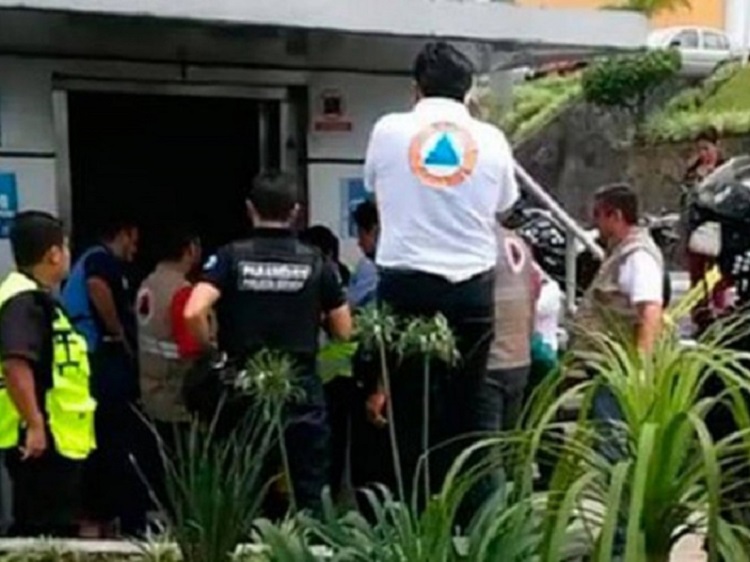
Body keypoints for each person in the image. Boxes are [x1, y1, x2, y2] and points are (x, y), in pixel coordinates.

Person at [362, 41, 520, 509]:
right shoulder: (492, 139)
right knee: (465, 413)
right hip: (472, 290)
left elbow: (372, 185)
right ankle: (463, 523)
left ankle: (412, 518)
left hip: (406, 285)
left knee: (409, 411)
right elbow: (505, 203)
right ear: (468, 91)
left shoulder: (388, 130)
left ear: (416, 89)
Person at [185, 170, 352, 515]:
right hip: (300, 388)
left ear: (250, 209)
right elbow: (344, 330)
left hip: (245, 385)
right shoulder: (316, 261)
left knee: (244, 488)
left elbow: (192, 311)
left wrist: (212, 353)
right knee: (309, 491)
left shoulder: (230, 257)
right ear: (295, 212)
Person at [0, 211, 96, 536]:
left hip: (54, 438)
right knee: (43, 533)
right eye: (65, 247)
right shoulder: (24, 302)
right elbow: (15, 363)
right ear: (53, 254)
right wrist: (36, 424)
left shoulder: (34, 298)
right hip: (42, 440)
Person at [62, 217, 145, 537]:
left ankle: (102, 514)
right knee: (110, 438)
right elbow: (97, 286)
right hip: (95, 357)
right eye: (133, 240)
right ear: (122, 233)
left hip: (90, 360)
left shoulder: (91, 259)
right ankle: (102, 513)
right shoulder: (100, 259)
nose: (135, 249)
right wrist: (117, 331)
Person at [135, 229, 205, 509]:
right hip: (177, 396)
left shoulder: (148, 284)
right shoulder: (182, 292)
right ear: (189, 250)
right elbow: (191, 347)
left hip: (151, 392)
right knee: (181, 474)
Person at [485, 223, 538, 432]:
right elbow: (533, 293)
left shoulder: (478, 242)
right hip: (519, 355)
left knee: (487, 440)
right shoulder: (520, 243)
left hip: (490, 358)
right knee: (511, 435)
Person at [348, 200, 379, 308]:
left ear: (374, 231)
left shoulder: (368, 267)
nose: (359, 243)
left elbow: (350, 305)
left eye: (361, 235)